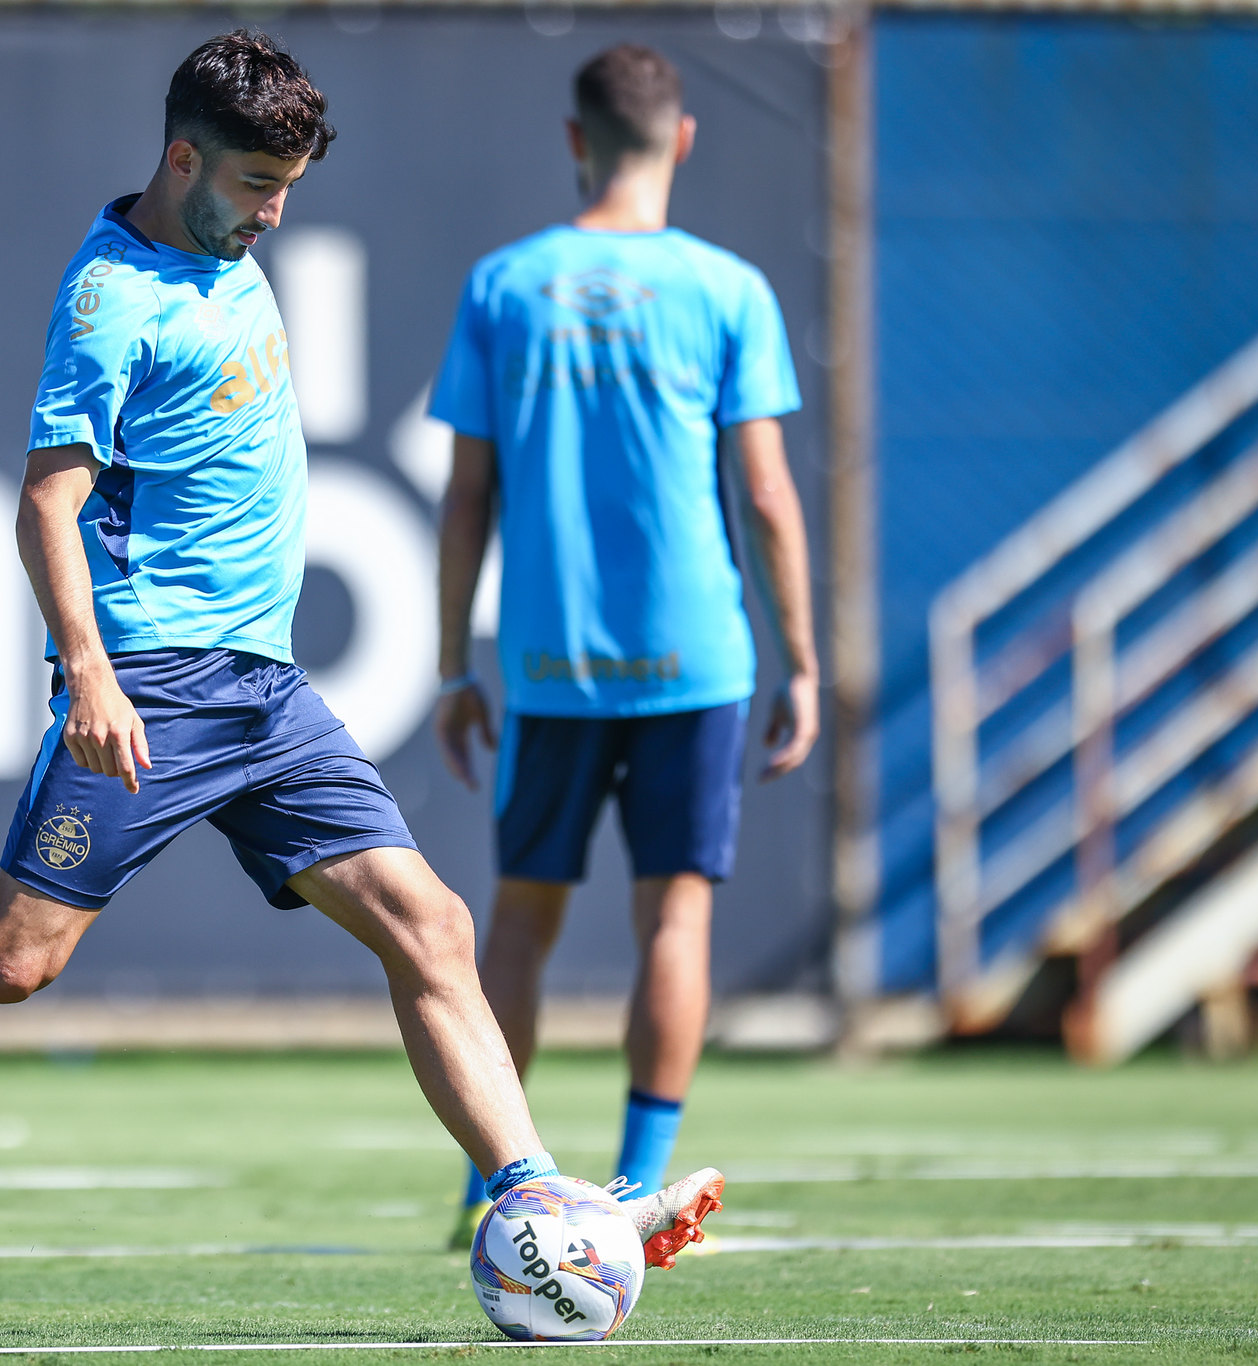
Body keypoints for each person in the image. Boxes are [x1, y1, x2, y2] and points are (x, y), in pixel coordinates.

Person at [0, 29, 724, 1265]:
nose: (275, 216)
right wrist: (92, 676)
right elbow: (44, 504)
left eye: (288, 189)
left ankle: (535, 1196)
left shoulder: (227, 245)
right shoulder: (109, 298)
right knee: (7, 960)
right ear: (182, 160)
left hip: (264, 691)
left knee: (430, 924)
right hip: (155, 684)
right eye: (256, 187)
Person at [430, 44, 817, 1247]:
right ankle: (640, 1179)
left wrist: (454, 663)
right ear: (683, 138)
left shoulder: (504, 283)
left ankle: (491, 1178)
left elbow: (466, 494)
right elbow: (763, 492)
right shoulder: (728, 288)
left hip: (549, 663)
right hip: (694, 658)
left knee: (520, 921)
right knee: (676, 919)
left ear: (573, 138)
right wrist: (800, 656)